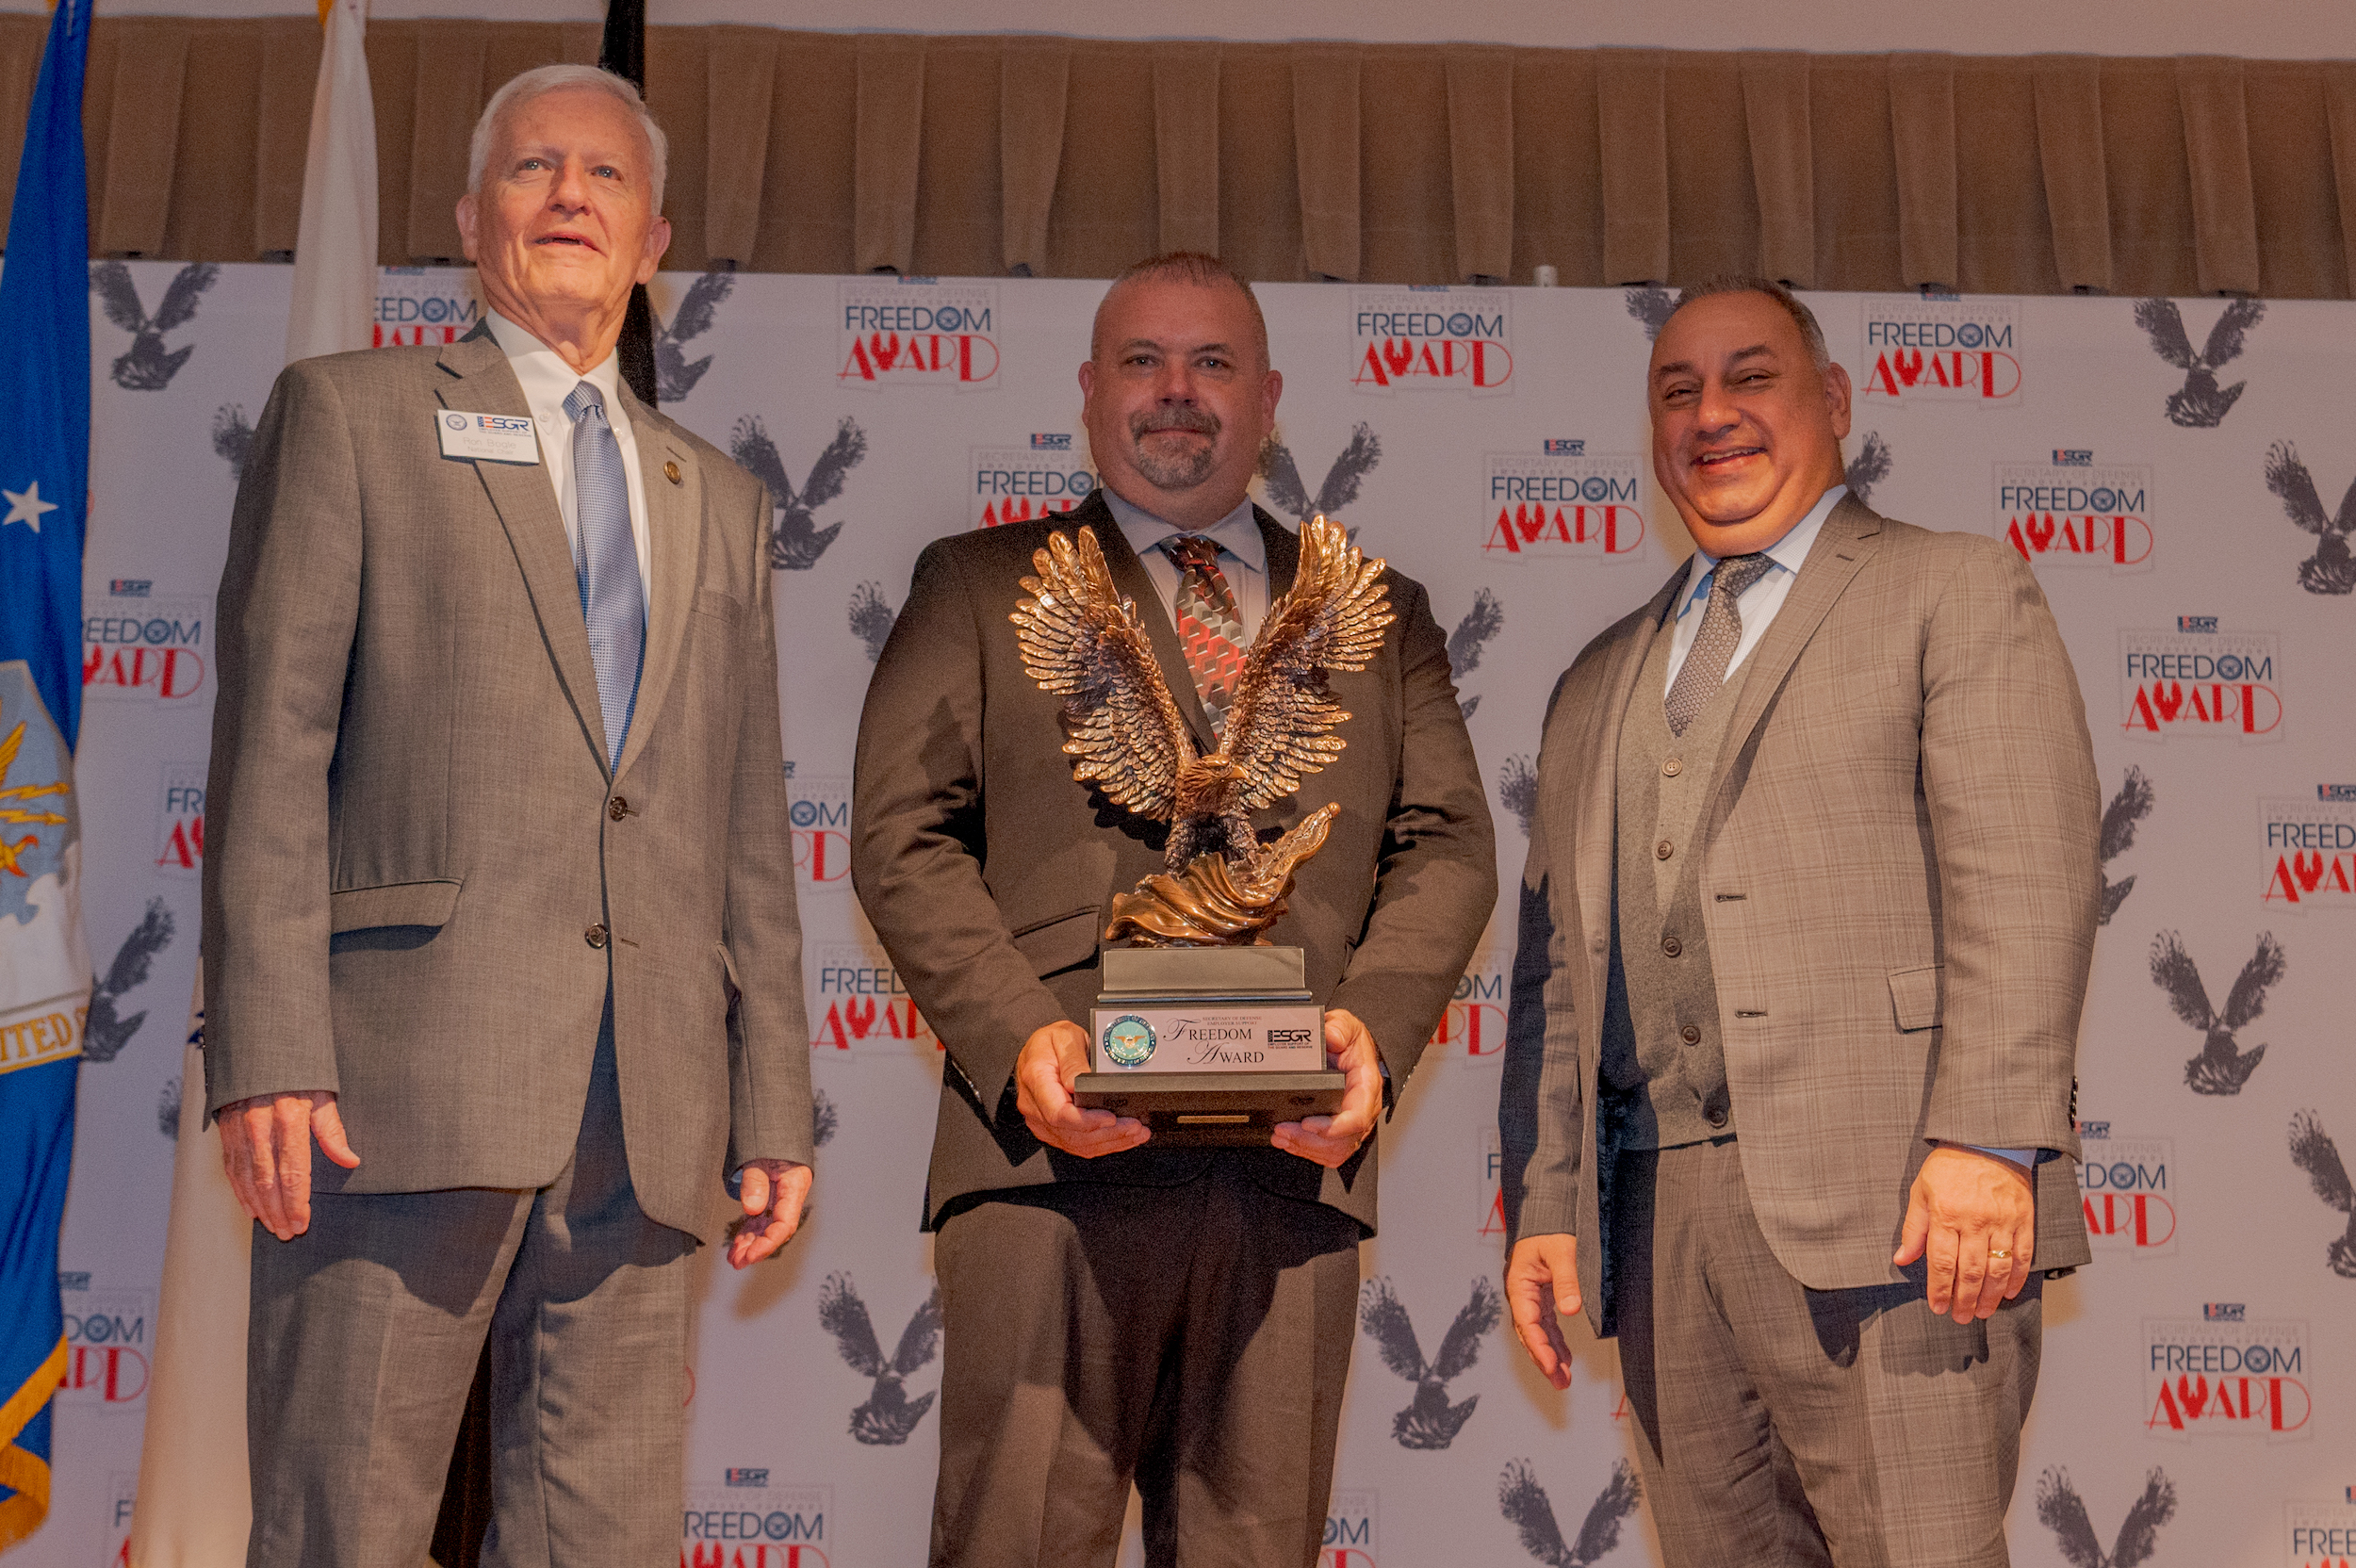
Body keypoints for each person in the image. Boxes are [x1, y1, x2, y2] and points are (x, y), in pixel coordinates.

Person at [203, 63, 812, 1565]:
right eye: (533, 169)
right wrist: (268, 1048)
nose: (567, 197)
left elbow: (744, 820)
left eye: (603, 177)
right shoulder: (349, 417)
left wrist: (773, 1097)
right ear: (472, 220)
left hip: (648, 1111)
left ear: (654, 238)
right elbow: (272, 751)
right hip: (390, 1095)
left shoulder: (717, 497)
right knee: (342, 1531)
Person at [851, 252, 1496, 1568]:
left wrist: (1369, 1032)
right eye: (1143, 362)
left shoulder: (1380, 614)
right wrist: (1020, 1036)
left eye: (1212, 364)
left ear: (1269, 401)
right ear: (1090, 395)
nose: (1176, 394)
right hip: (1048, 1161)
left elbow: (1449, 848)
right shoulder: (979, 586)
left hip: (1290, 1168)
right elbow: (900, 835)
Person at [1497, 277, 2098, 1568]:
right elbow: (1554, 969)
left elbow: (2030, 878)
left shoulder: (1955, 591)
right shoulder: (1595, 676)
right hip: (1658, 1228)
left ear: (1831, 401)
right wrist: (1548, 1201)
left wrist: (1991, 1139)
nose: (1712, 414)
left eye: (1749, 377)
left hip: (1903, 1211)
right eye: (1678, 391)